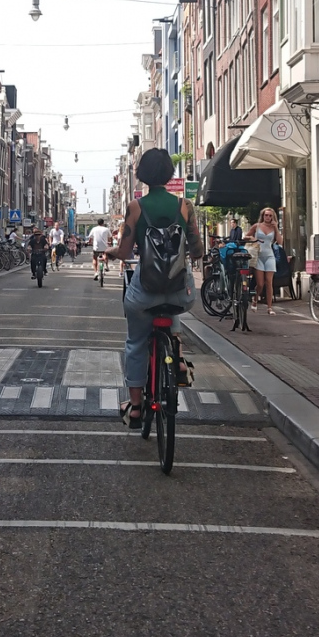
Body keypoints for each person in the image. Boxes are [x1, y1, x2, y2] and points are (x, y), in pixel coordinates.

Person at [109, 149, 200, 428]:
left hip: (145, 292)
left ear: (142, 174)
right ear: (169, 174)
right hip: (180, 292)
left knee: (136, 342)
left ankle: (136, 407)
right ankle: (178, 361)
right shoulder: (185, 205)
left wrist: (111, 252)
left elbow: (125, 252)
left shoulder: (136, 207)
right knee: (171, 302)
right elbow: (197, 249)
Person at [251, 207, 282, 311]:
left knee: (269, 282)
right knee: (260, 284)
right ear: (263, 216)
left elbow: (280, 242)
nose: (268, 217)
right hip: (258, 256)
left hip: (269, 256)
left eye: (270, 215)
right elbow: (246, 236)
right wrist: (253, 239)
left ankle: (269, 307)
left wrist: (276, 228)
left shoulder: (274, 228)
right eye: (266, 215)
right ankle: (255, 298)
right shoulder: (257, 226)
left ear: (273, 217)